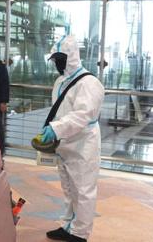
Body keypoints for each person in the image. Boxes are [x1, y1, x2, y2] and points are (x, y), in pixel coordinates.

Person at [40, 35, 104, 242]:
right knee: (69, 189)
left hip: (83, 144)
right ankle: (68, 225)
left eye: (61, 58)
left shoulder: (89, 82)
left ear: (72, 56)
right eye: (55, 59)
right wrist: (52, 130)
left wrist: (56, 129)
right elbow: (59, 111)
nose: (58, 63)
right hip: (64, 144)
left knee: (83, 190)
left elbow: (82, 115)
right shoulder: (60, 81)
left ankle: (80, 233)